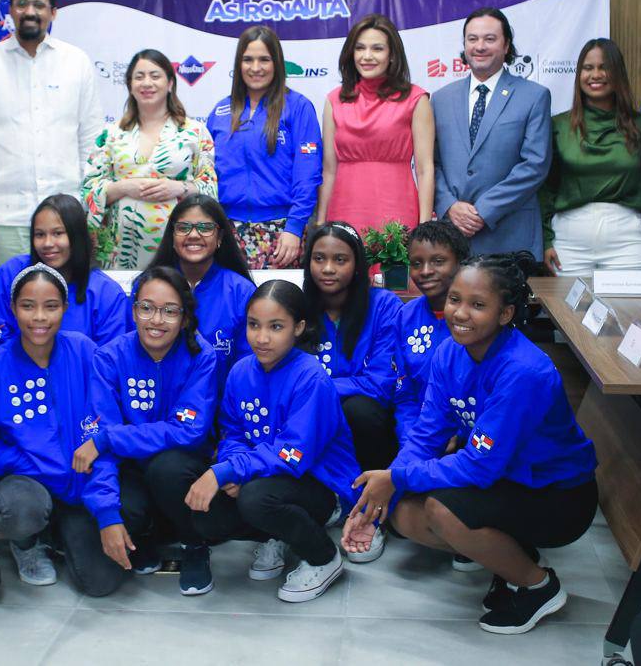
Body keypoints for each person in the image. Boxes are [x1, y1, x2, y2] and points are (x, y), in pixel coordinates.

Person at [342, 253, 598, 635]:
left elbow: (479, 465)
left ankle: (538, 586)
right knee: (403, 515)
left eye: (478, 305)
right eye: (455, 300)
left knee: (442, 512)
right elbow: (427, 434)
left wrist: (397, 478)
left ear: (506, 314)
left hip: (558, 493)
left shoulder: (523, 371)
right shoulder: (449, 352)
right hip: (505, 479)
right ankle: (511, 560)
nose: (460, 313)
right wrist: (388, 485)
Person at [185, 279, 361, 603]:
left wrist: (229, 472)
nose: (262, 338)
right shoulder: (240, 372)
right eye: (254, 325)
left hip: (319, 485)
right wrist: (233, 468)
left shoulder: (311, 378)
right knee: (207, 514)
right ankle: (277, 534)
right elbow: (233, 432)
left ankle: (323, 557)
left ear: (299, 328)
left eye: (276, 326)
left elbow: (292, 455)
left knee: (254, 498)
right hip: (267, 479)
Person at [0, 264, 133, 597]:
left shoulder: (84, 351)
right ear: (13, 309)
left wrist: (107, 512)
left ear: (65, 309)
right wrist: (30, 464)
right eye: (28, 306)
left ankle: (57, 532)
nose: (39, 317)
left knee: (101, 583)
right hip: (26, 479)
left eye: (50, 306)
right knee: (24, 509)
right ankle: (27, 542)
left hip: (78, 482)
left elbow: (104, 430)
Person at [79, 267, 219, 595]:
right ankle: (145, 534)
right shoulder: (109, 358)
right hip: (132, 466)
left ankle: (195, 545)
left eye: (169, 311)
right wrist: (107, 513)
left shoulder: (202, 356)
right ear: (133, 311)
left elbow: (189, 432)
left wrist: (110, 437)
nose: (156, 320)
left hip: (180, 468)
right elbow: (98, 438)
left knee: (167, 468)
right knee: (122, 506)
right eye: (147, 307)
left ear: (185, 318)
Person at [0, 0, 104, 267]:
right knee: (13, 304)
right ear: (11, 10)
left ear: (53, 12)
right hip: (6, 219)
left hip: (68, 217)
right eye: (22, 4)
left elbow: (93, 145)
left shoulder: (76, 63)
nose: (30, 12)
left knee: (71, 302)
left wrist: (91, 215)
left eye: (38, 5)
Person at [300, 221, 401, 563]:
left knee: (359, 410)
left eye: (340, 259)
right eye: (319, 258)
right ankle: (327, 501)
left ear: (357, 264)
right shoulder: (299, 308)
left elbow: (381, 384)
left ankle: (372, 512)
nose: (328, 269)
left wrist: (320, 387)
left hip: (368, 423)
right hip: (315, 420)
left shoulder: (384, 305)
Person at [81, 49, 217, 269]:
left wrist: (179, 188)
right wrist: (124, 187)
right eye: (139, 77)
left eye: (155, 76)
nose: (147, 83)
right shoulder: (111, 134)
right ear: (129, 85)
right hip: (119, 253)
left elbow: (209, 187)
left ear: (170, 83)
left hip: (180, 251)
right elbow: (88, 189)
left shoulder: (194, 132)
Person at [432, 8, 552, 256]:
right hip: (453, 237)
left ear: (507, 45)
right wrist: (449, 206)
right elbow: (430, 164)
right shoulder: (440, 99)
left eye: (490, 39)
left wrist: (483, 211)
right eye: (472, 39)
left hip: (510, 236)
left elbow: (534, 165)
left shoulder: (534, 96)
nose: (480, 46)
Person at [206, 26, 322, 268]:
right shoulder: (220, 111)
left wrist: (294, 227)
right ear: (239, 64)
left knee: (277, 305)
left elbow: (307, 174)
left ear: (277, 63)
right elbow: (206, 174)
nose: (255, 67)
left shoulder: (298, 107)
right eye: (248, 59)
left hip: (281, 232)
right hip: (227, 231)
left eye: (264, 60)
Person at [316, 14, 434, 234]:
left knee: (393, 267)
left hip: (397, 209)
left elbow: (425, 169)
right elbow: (329, 170)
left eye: (377, 49)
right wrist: (322, 222)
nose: (367, 56)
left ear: (392, 55)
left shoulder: (416, 99)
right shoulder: (334, 100)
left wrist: (425, 227)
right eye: (360, 48)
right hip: (344, 210)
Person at [540, 39, 641, 276]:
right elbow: (546, 188)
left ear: (617, 73)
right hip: (569, 241)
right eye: (588, 68)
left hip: (627, 239)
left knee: (632, 313)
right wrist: (546, 240)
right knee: (569, 314)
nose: (595, 74)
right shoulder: (559, 125)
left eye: (604, 67)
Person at [0, 194, 129, 346]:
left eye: (58, 233)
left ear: (77, 236)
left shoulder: (106, 292)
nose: (48, 243)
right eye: (40, 234)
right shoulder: (11, 273)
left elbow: (110, 359)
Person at [147, 194, 256, 389]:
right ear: (172, 236)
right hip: (158, 408)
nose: (194, 235)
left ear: (220, 237)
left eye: (205, 228)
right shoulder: (149, 287)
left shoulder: (242, 292)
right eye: (183, 227)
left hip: (223, 410)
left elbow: (248, 366)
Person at [395, 219, 471, 444]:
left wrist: (459, 436)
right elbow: (404, 394)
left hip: (470, 437)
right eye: (417, 263)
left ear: (460, 263)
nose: (425, 271)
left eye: (438, 261)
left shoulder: (477, 319)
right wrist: (411, 438)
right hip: (419, 432)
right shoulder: (405, 316)